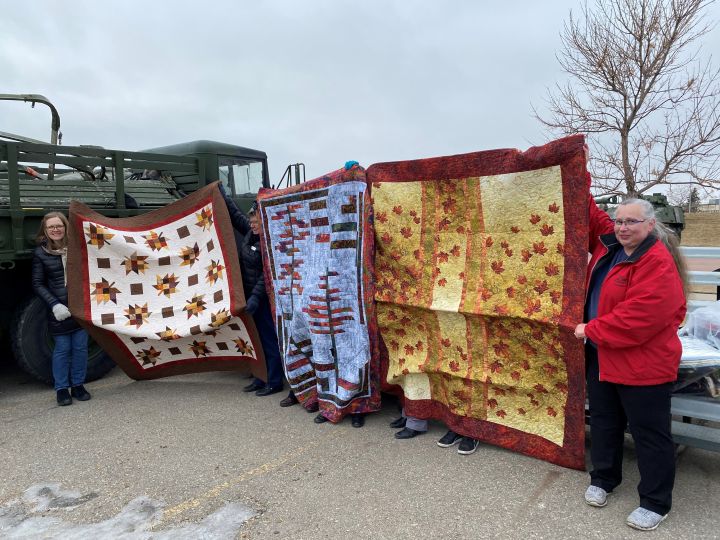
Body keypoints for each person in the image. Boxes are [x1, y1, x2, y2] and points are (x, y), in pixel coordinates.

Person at [574, 174, 687, 531]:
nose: (623, 227)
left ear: (650, 224)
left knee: (649, 432)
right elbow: (590, 211)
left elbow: (637, 319)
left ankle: (656, 502)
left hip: (642, 363)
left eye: (632, 222)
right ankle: (604, 479)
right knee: (605, 422)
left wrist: (589, 330)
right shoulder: (610, 243)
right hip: (603, 356)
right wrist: (580, 168)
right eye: (620, 220)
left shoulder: (657, 263)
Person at [220, 185, 284, 396]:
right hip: (250, 297)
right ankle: (260, 377)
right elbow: (236, 215)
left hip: (263, 299)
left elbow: (265, 275)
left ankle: (274, 381)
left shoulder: (269, 242)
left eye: (256, 222)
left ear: (264, 223)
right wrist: (222, 193)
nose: (252, 225)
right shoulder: (250, 234)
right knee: (254, 340)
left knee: (267, 338)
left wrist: (255, 298)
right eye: (252, 222)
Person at [32, 212, 91, 406]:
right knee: (63, 349)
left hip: (79, 307)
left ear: (65, 227)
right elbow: (38, 283)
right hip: (58, 309)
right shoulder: (41, 253)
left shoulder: (76, 248)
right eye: (51, 227)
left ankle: (78, 385)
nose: (56, 230)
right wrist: (54, 304)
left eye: (59, 226)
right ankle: (62, 389)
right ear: (46, 230)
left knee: (80, 348)